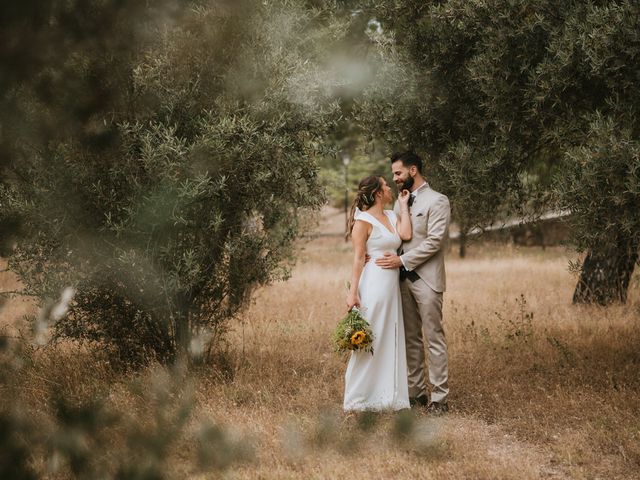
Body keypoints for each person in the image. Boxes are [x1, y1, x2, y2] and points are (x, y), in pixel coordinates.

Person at [375, 151, 451, 414]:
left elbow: (434, 242)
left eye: (398, 173)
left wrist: (402, 260)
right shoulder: (399, 203)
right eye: (394, 174)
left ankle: (440, 399)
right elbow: (397, 237)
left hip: (427, 280)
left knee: (434, 338)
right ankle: (416, 393)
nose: (395, 178)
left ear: (413, 170)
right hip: (401, 281)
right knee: (410, 339)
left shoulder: (438, 201)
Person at [343, 175, 412, 411]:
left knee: (389, 336)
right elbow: (359, 257)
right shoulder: (362, 221)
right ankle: (357, 398)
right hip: (372, 284)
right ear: (378, 193)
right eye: (385, 185)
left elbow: (406, 236)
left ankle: (387, 395)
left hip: (391, 287)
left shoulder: (392, 215)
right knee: (370, 336)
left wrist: (403, 206)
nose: (390, 187)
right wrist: (353, 293)